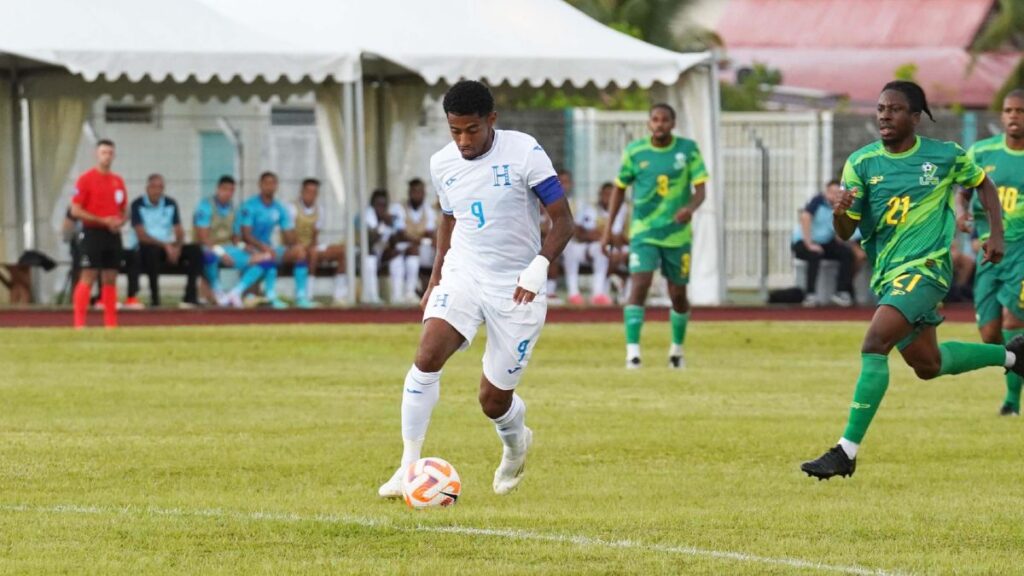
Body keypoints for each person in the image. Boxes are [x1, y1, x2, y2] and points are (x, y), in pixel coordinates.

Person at [801, 81, 1024, 481]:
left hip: (928, 269)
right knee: (928, 364)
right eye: (881, 108)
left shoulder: (944, 156)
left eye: (895, 109)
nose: (885, 115)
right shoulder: (861, 163)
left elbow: (982, 184)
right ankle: (1013, 357)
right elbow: (844, 232)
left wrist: (996, 233)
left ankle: (845, 451)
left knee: (874, 342)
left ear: (916, 117)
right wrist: (841, 212)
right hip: (889, 274)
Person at [377, 80, 574, 498]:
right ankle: (407, 468)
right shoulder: (442, 163)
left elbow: (563, 219)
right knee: (426, 356)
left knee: (493, 401)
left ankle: (516, 445)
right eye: (455, 131)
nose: (463, 140)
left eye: (472, 130)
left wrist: (539, 266)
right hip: (465, 272)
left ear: (492, 120)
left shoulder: (525, 151)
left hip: (518, 286)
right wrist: (435, 281)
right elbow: (449, 219)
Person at [602, 103, 708, 369]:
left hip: (676, 234)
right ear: (649, 123)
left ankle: (676, 351)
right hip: (644, 231)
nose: (659, 124)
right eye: (655, 119)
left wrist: (690, 208)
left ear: (673, 123)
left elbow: (701, 190)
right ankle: (633, 354)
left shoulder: (688, 150)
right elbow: (619, 189)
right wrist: (608, 230)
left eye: (665, 120)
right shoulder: (635, 152)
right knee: (640, 283)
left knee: (678, 294)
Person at [959, 89, 1024, 416]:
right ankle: (1016, 364)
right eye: (1009, 110)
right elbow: (962, 188)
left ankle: (1011, 403)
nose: (1014, 116)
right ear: (1002, 115)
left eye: (1021, 111)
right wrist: (964, 217)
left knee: (1015, 319)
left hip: (1022, 252)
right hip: (988, 250)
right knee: (989, 334)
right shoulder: (983, 152)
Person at [224, 171, 313, 309]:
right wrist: (264, 247)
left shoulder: (279, 207)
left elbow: (288, 232)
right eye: (267, 183)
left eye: (273, 183)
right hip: (247, 248)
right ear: (260, 185)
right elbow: (246, 235)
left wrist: (296, 244)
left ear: (276, 186)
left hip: (268, 249)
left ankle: (301, 297)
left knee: (299, 253)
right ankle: (269, 295)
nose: (270, 186)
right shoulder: (250, 206)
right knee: (267, 257)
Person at [70, 139, 127, 329]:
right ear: (97, 154)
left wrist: (119, 221)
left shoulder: (117, 181)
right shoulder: (85, 179)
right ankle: (79, 323)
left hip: (111, 234)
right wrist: (103, 220)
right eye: (103, 152)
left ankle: (111, 323)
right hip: (92, 232)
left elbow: (124, 209)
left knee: (110, 276)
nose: (107, 156)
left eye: (110, 153)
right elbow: (75, 210)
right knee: (88, 274)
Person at [130, 174, 203, 308]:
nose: (157, 191)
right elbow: (141, 235)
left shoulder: (170, 203)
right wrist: (165, 246)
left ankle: (189, 297)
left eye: (161, 187)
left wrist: (178, 247)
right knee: (152, 252)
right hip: (147, 247)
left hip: (168, 247)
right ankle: (155, 300)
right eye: (154, 187)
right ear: (148, 188)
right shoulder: (137, 204)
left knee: (195, 250)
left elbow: (179, 230)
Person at [791, 180, 855, 307]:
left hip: (824, 243)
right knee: (814, 255)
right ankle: (810, 295)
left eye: (838, 193)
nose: (834, 196)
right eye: (832, 192)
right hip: (803, 241)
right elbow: (805, 217)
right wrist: (809, 243)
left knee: (847, 254)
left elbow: (838, 230)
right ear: (826, 192)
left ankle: (841, 292)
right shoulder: (817, 201)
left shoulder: (840, 207)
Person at [289, 178, 349, 305]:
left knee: (342, 251)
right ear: (302, 192)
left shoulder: (319, 210)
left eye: (314, 192)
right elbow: (290, 234)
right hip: (295, 247)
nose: (311, 195)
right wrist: (304, 246)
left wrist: (314, 246)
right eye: (308, 191)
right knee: (313, 254)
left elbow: (315, 234)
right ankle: (308, 294)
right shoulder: (292, 208)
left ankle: (339, 295)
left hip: (311, 246)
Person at [565, 182, 623, 306]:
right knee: (569, 248)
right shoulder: (590, 208)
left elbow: (618, 238)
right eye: (605, 194)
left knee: (602, 249)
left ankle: (598, 294)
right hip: (584, 246)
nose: (608, 197)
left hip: (606, 248)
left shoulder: (621, 212)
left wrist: (603, 236)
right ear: (600, 195)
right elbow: (577, 231)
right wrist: (592, 235)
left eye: (611, 195)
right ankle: (573, 294)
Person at [362, 189, 408, 305]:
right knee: (370, 260)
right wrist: (383, 224)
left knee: (396, 256)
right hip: (364, 255)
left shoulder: (390, 216)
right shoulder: (367, 215)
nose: (381, 208)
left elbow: (394, 243)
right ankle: (372, 298)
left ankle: (397, 298)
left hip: (381, 253)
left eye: (384, 205)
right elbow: (370, 242)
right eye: (379, 205)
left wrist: (393, 226)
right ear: (373, 205)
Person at [400, 178, 438, 303]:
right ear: (409, 192)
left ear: (424, 193)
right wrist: (418, 237)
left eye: (420, 191)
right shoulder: (400, 208)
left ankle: (434, 292)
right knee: (412, 253)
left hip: (422, 246)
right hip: (403, 246)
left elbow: (430, 233)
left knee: (440, 252)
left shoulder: (429, 211)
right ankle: (409, 293)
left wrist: (415, 237)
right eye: (414, 191)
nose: (417, 194)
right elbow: (400, 234)